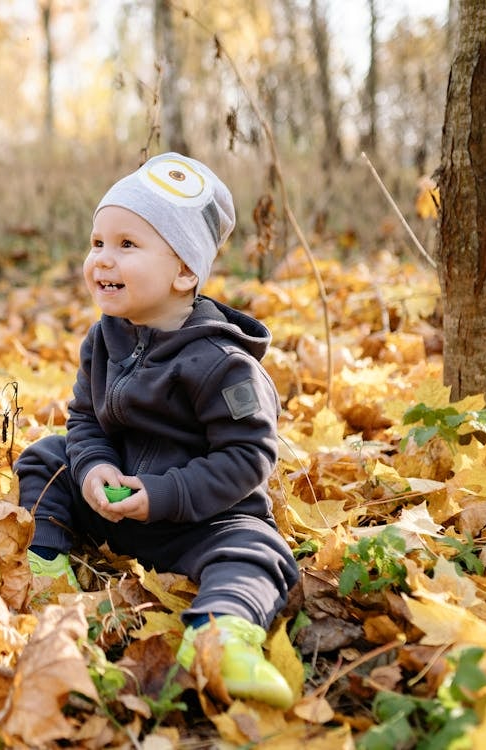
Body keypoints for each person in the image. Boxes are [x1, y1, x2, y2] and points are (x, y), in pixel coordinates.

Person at [15, 152, 300, 709]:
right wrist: (94, 468)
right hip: (114, 497)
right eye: (97, 243)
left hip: (198, 519)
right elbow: (85, 419)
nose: (102, 260)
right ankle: (47, 565)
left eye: (127, 245)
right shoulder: (105, 338)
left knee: (258, 550)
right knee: (45, 458)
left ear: (185, 271)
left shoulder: (223, 364)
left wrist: (166, 495)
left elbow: (248, 457)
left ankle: (221, 637)